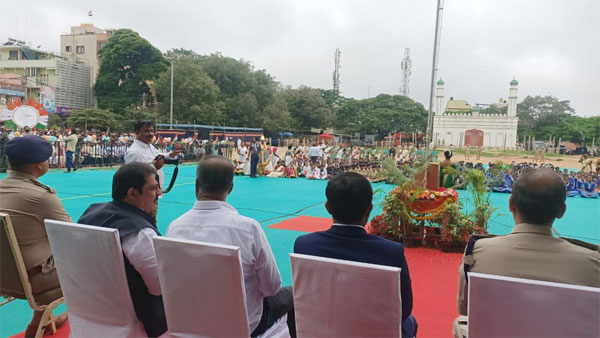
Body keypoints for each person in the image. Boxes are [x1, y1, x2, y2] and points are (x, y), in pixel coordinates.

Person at [452, 169, 600, 338]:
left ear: (511, 203)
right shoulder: (592, 262)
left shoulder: (478, 251)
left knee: (461, 323)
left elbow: (464, 308)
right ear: (562, 211)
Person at [167, 156, 295, 337]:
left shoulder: (175, 228)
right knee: (294, 295)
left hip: (191, 320)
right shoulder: (247, 228)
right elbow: (271, 287)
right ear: (230, 188)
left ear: (197, 186)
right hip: (243, 325)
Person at [294, 172, 417, 337]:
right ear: (369, 209)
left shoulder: (304, 245)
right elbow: (404, 309)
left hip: (323, 330)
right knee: (410, 322)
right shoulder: (391, 252)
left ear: (328, 207)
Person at [78, 163, 167, 337]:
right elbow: (159, 287)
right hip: (134, 318)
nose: (159, 194)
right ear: (132, 193)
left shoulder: (91, 212)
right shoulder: (140, 233)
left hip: (90, 308)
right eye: (154, 188)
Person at [0, 135, 70, 336]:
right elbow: (72, 236)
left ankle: (40, 322)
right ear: (39, 164)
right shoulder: (41, 196)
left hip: (4, 273)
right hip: (29, 281)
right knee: (90, 263)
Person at [125, 120, 180, 189]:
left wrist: (169, 155)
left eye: (151, 131)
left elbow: (157, 155)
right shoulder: (134, 152)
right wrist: (154, 167)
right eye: (146, 131)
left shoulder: (149, 146)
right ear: (137, 133)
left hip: (153, 190)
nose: (150, 134)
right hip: (142, 193)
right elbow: (132, 175)